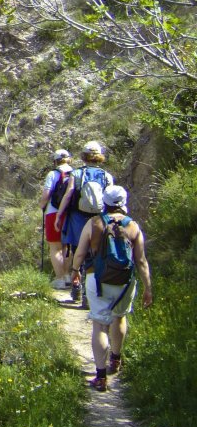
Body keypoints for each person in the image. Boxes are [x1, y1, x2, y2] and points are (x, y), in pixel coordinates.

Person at [70, 185, 152, 392]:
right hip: (125, 282)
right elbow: (141, 261)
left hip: (97, 279)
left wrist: (74, 271)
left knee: (99, 325)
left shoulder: (94, 222)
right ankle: (115, 359)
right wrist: (147, 288)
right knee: (120, 317)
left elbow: (80, 253)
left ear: (104, 203)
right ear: (124, 202)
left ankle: (100, 376)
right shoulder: (133, 226)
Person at [56, 141, 114, 306]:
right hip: (99, 220)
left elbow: (68, 195)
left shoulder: (77, 174)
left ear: (84, 156)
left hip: (77, 218)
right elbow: (110, 200)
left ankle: (77, 289)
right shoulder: (106, 176)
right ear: (99, 156)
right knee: (95, 254)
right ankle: (92, 294)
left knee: (78, 253)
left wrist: (59, 215)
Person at [42, 149, 73, 288]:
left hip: (53, 212)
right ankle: (67, 276)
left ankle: (60, 278)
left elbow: (46, 194)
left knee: (55, 247)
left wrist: (41, 205)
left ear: (55, 161)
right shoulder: (76, 173)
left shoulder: (53, 174)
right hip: (71, 213)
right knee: (67, 246)